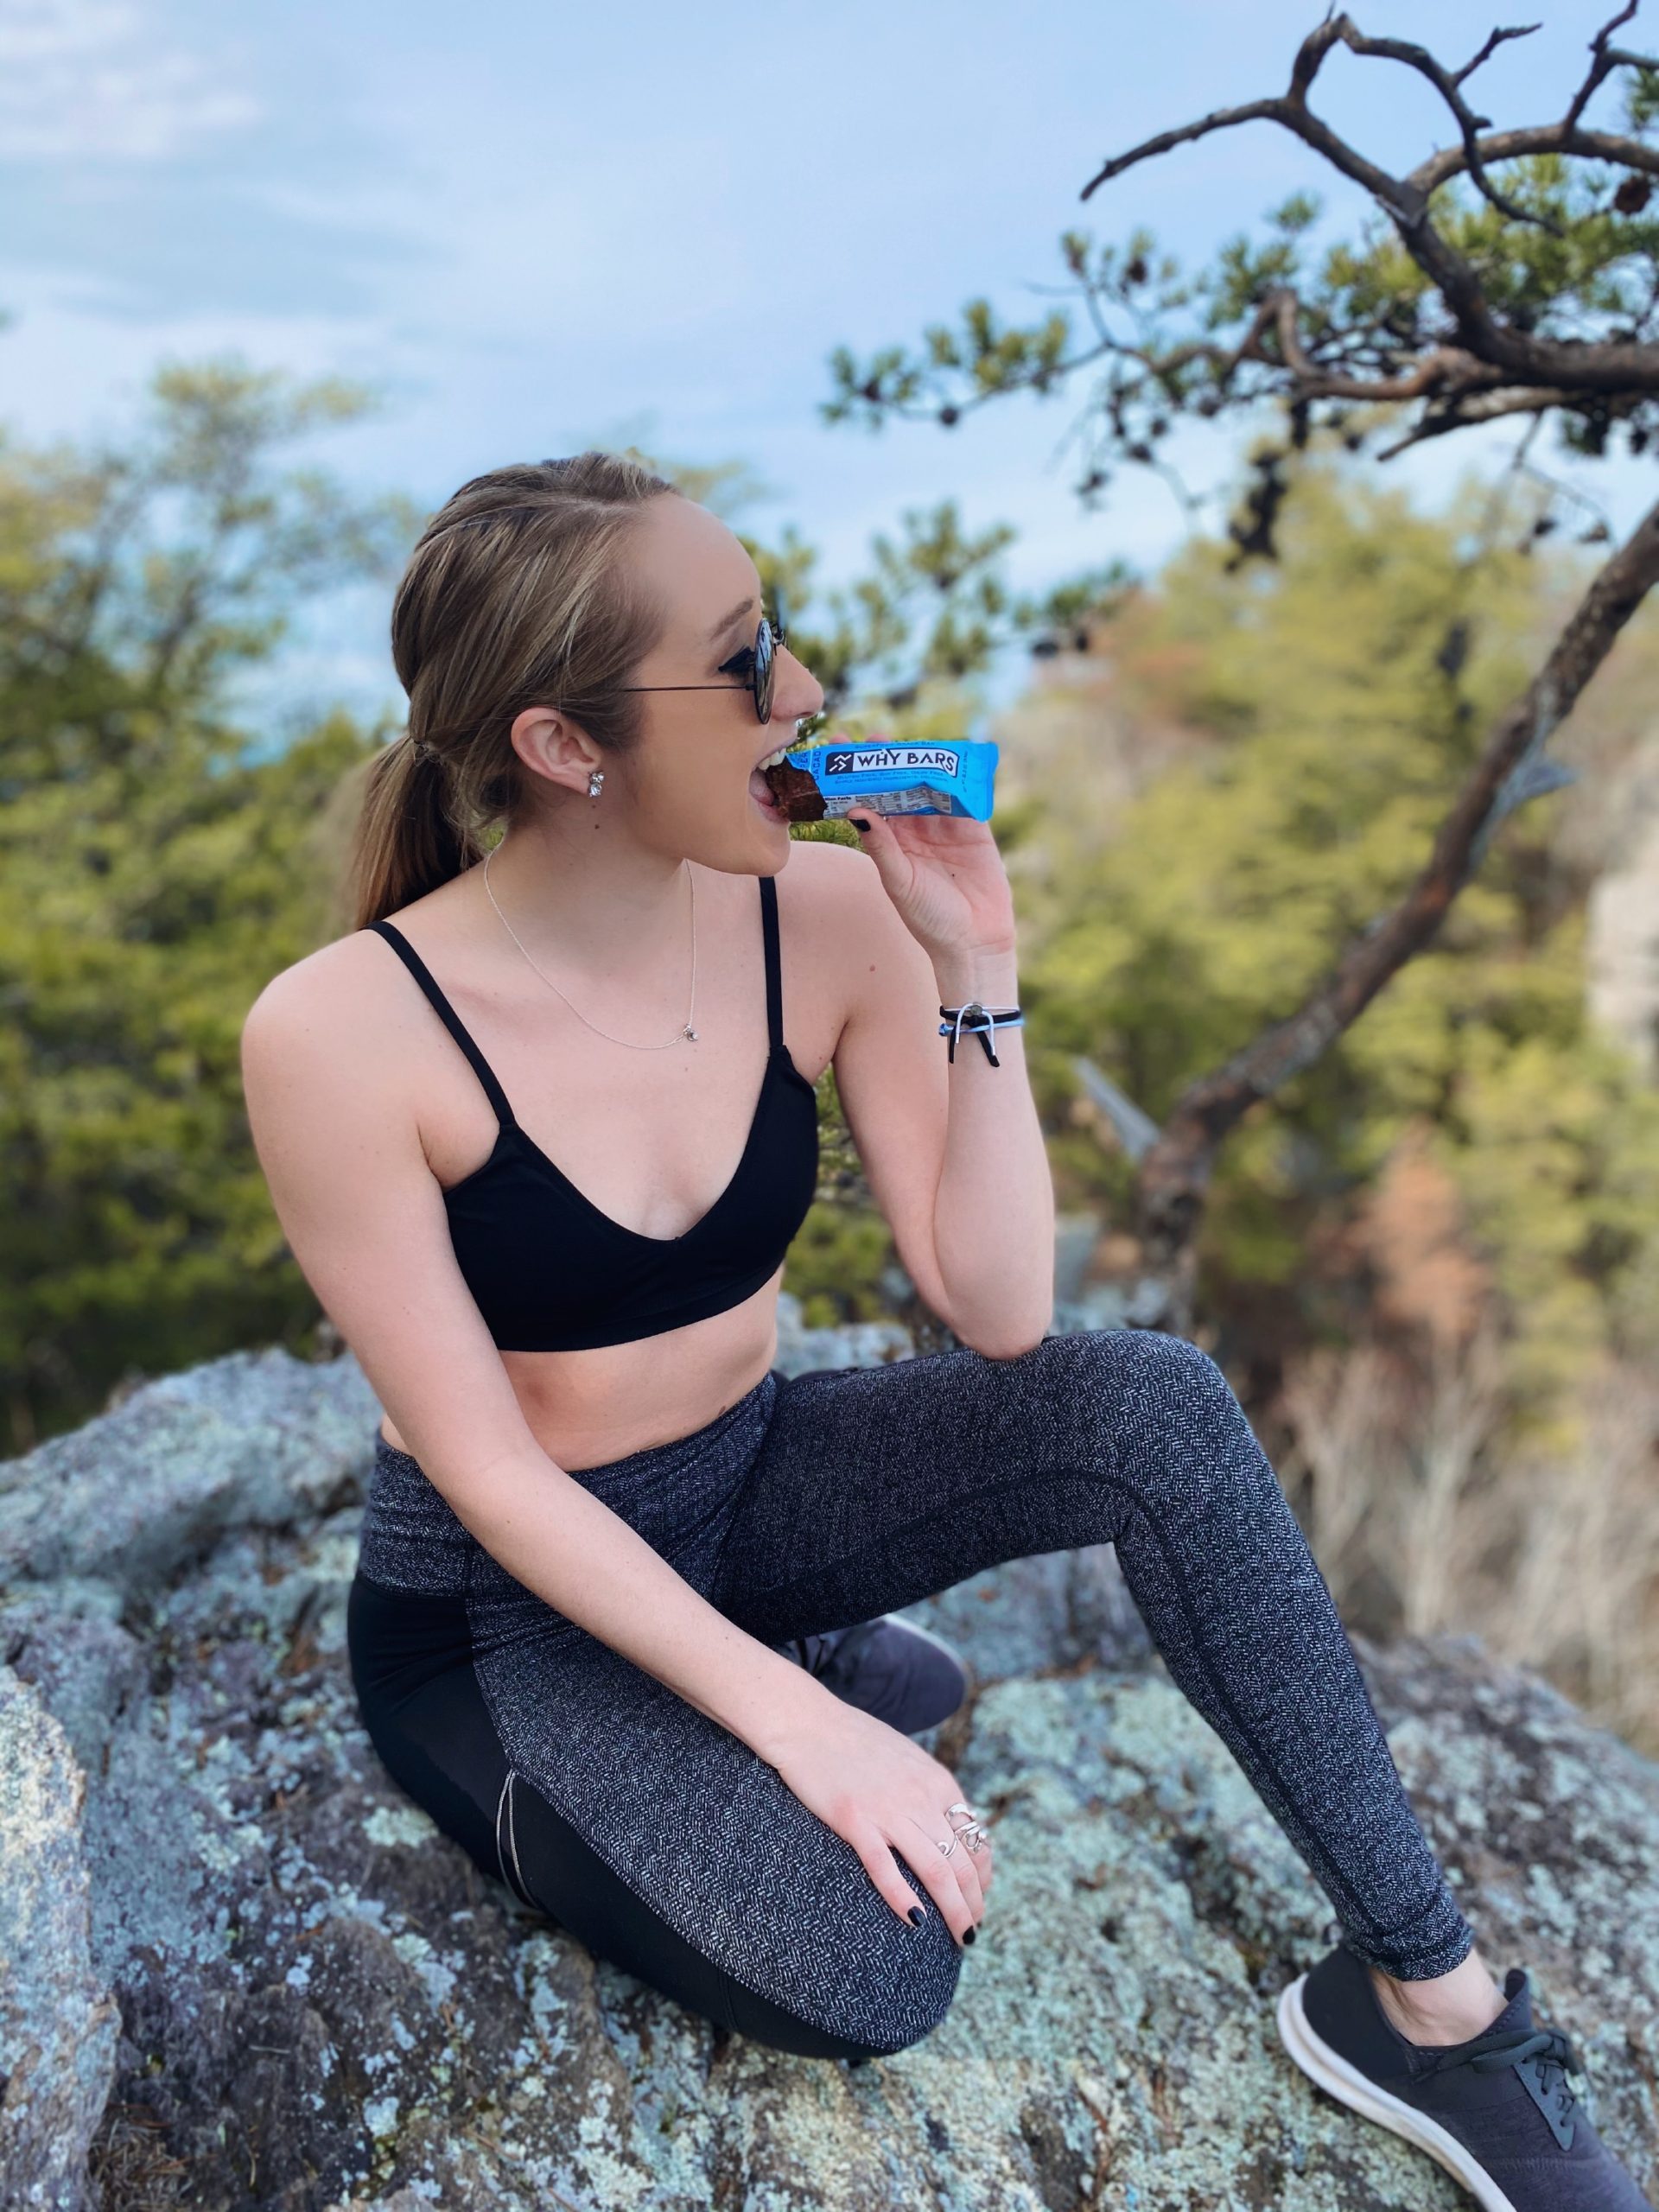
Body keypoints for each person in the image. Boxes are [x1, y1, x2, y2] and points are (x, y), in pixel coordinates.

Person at [239, 454, 1649, 2209]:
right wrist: (803, 1728)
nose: (807, 692)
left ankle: (1431, 2003)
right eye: (743, 661)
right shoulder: (344, 1033)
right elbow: (490, 1473)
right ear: (561, 742)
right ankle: (795, 1665)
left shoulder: (823, 914)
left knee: (1148, 1400)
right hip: (505, 1611)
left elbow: (999, 1306)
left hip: (747, 1479)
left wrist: (977, 963)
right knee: (878, 1962)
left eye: (779, 636)